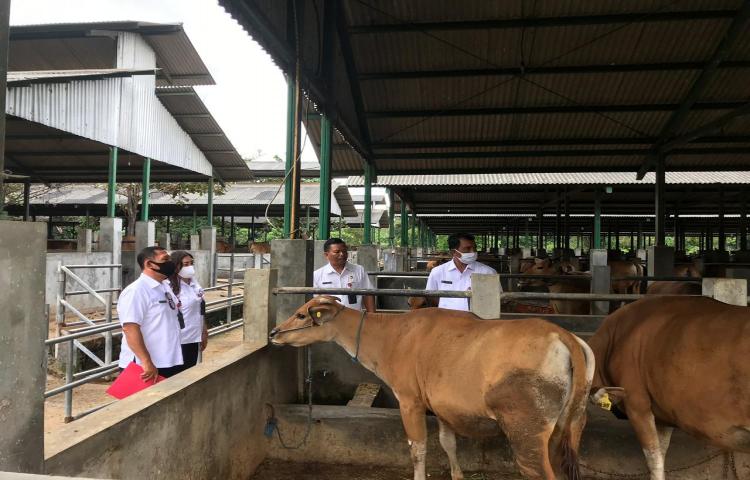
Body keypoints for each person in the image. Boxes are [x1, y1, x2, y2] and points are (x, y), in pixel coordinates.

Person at [117, 246, 183, 381]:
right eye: (165, 259)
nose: (170, 263)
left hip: (168, 359)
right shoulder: (136, 291)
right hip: (145, 366)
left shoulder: (164, 286)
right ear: (149, 264)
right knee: (141, 402)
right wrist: (146, 362)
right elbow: (130, 328)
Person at [425, 233, 497, 311]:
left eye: (474, 248)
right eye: (467, 248)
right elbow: (431, 297)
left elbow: (496, 299)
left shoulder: (488, 272)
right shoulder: (438, 272)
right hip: (447, 319)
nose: (473, 252)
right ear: (453, 252)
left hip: (476, 320)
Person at [168, 251, 208, 372]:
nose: (190, 267)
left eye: (191, 263)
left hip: (194, 336)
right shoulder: (169, 286)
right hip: (178, 339)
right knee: (175, 374)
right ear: (176, 266)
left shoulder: (193, 283)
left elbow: (200, 310)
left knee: (188, 371)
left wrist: (204, 331)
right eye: (185, 264)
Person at [313, 238, 375, 312]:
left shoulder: (358, 270)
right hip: (331, 320)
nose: (342, 254)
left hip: (355, 318)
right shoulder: (318, 275)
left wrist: (372, 316)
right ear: (326, 255)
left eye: (344, 251)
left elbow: (368, 294)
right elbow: (316, 301)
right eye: (337, 252)